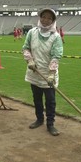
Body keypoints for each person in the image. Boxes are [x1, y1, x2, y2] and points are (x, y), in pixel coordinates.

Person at [22, 8, 63, 136]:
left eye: (49, 18)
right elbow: (26, 48)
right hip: (35, 73)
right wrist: (30, 61)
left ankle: (50, 124)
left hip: (48, 75)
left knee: (50, 101)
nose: (45, 20)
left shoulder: (55, 37)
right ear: (39, 18)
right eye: (43, 17)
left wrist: (51, 74)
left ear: (53, 21)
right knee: (37, 98)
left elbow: (56, 56)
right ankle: (39, 119)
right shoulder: (32, 32)